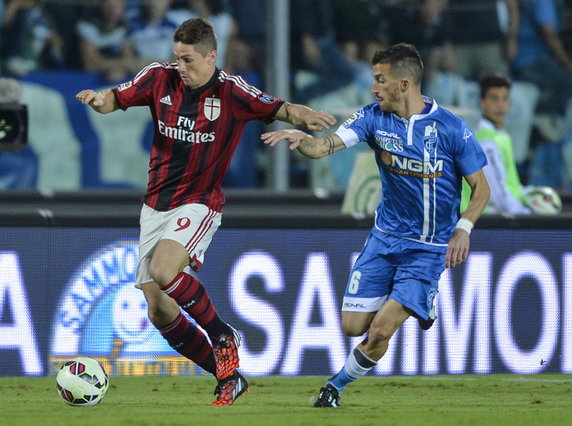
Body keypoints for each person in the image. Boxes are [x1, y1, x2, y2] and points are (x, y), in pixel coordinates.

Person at [76, 18, 336, 406]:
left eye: (189, 59)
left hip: (199, 202)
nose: (180, 66)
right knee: (159, 309)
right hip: (155, 205)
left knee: (165, 271)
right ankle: (228, 376)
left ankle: (222, 335)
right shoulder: (158, 78)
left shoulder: (231, 92)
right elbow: (116, 97)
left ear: (211, 56)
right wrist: (100, 102)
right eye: (177, 58)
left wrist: (306, 115)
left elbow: (280, 108)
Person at [262, 43, 490, 408]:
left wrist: (463, 228)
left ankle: (333, 388)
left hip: (428, 249)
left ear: (404, 84)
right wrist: (303, 141)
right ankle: (417, 303)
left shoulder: (450, 128)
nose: (373, 88)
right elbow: (326, 147)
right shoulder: (372, 118)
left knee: (382, 329)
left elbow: (481, 188)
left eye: (380, 80)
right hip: (384, 240)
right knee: (352, 326)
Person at [461, 74, 531, 215]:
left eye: (505, 98)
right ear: (482, 102)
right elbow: (498, 194)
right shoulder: (486, 142)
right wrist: (525, 213)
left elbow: (510, 185)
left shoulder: (501, 136)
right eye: (494, 98)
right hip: (483, 220)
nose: (501, 105)